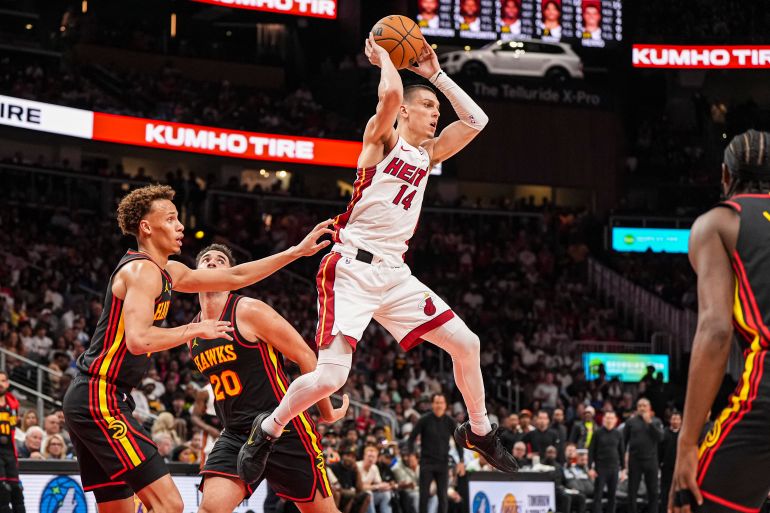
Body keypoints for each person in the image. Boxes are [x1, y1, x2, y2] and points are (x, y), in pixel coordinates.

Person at [238, 30, 516, 484]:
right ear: (406, 110)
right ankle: (267, 429)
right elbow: (389, 93)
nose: (436, 116)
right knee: (330, 379)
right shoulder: (381, 141)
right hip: (350, 268)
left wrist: (438, 76)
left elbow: (477, 121)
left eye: (437, 112)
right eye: (429, 107)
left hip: (395, 273)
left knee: (467, 344)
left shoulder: (426, 156)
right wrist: (387, 56)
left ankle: (480, 431)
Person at [62, 184, 331, 512]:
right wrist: (197, 327)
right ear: (147, 227)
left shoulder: (168, 272)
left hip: (101, 398)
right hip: (99, 397)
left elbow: (236, 276)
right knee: (170, 505)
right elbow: (139, 340)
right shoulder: (142, 271)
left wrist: (294, 252)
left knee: (117, 509)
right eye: (172, 219)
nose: (181, 226)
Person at [191, 244, 347, 513]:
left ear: (233, 273)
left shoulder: (249, 310)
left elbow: (305, 356)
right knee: (209, 509)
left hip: (284, 426)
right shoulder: (193, 333)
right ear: (194, 272)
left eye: (220, 260)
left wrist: (327, 412)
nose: (212, 262)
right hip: (237, 433)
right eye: (205, 259)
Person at [671, 130, 770, 513]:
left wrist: (687, 444)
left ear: (726, 176)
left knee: (690, 499)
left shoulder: (720, 222)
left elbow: (715, 332)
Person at [407, 394, 464, 513]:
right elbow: (411, 438)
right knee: (424, 495)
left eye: (441, 403)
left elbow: (459, 442)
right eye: (436, 402)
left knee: (443, 496)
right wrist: (411, 455)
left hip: (443, 463)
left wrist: (461, 461)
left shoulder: (450, 422)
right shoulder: (424, 419)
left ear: (445, 405)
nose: (439, 405)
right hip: (426, 462)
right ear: (432, 404)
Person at [624, 398, 664, 513]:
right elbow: (624, 441)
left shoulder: (656, 421)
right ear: (637, 408)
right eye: (640, 406)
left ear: (649, 407)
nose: (642, 408)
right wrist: (624, 461)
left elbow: (660, 438)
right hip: (635, 460)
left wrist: (649, 423)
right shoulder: (630, 422)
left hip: (651, 460)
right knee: (632, 491)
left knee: (653, 491)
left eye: (644, 406)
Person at [589, 410, 624, 513]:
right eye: (607, 418)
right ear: (603, 419)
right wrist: (590, 468)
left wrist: (624, 469)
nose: (609, 420)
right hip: (600, 467)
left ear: (615, 420)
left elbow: (621, 452)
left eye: (611, 418)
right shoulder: (597, 433)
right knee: (598, 495)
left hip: (614, 468)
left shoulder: (618, 434)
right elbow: (591, 451)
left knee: (612, 496)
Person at [0, 372, 24, 513]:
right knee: (2, 489)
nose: (0, 383)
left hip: (10, 452)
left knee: (16, 489)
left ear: (8, 384)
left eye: (3, 380)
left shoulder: (13, 405)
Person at [357, 446, 392, 513]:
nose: (371, 459)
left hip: (370, 494)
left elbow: (379, 483)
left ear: (376, 459)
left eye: (373, 457)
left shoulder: (374, 468)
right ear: (364, 456)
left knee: (386, 494)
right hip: (358, 496)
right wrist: (376, 487)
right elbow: (359, 487)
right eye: (369, 456)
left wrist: (386, 486)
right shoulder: (357, 466)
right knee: (368, 494)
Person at [659, 411, 680, 513]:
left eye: (677, 419)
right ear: (670, 420)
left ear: (681, 421)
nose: (675, 421)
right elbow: (659, 450)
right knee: (665, 492)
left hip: (679, 468)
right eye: (673, 419)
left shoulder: (683, 434)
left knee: (678, 492)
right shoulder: (664, 432)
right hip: (666, 467)